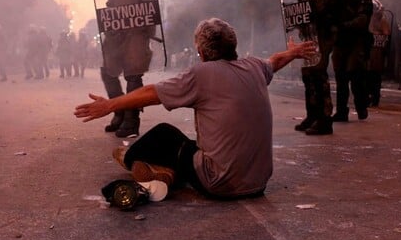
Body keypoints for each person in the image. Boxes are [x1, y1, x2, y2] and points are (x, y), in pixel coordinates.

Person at [74, 18, 317, 199]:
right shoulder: (254, 66)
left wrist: (109, 105)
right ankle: (166, 173)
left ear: (201, 52)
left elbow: (151, 93)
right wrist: (293, 53)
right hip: (258, 183)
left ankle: (133, 159)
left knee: (164, 134)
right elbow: (274, 61)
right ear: (234, 45)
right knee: (193, 147)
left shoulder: (201, 74)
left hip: (218, 184)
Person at [99, 0, 156, 138]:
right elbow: (110, 8)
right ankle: (119, 111)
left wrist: (133, 20)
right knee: (107, 71)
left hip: (136, 34)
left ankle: (132, 121)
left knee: (133, 75)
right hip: (117, 35)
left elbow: (147, 7)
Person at [293, 0, 340, 135]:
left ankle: (324, 119)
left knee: (318, 74)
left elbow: (316, 7)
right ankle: (313, 115)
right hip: (314, 33)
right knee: (309, 73)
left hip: (323, 33)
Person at [331, 0, 373, 122]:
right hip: (340, 43)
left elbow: (362, 21)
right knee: (341, 80)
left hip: (356, 43)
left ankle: (361, 107)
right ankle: (342, 111)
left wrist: (342, 26)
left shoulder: (364, 0)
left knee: (356, 79)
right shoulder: (335, 2)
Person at [367, 0, 392, 107]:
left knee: (375, 77)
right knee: (367, 77)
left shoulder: (382, 20)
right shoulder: (368, 19)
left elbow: (386, 36)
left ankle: (375, 97)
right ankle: (368, 96)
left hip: (377, 53)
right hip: (368, 53)